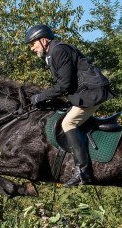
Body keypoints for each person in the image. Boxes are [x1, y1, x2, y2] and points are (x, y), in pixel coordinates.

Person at [26, 24, 113, 187]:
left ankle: (83, 172)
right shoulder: (52, 53)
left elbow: (65, 85)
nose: (32, 48)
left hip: (91, 92)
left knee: (68, 123)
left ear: (43, 40)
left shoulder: (58, 50)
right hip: (84, 92)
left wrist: (40, 97)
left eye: (33, 43)